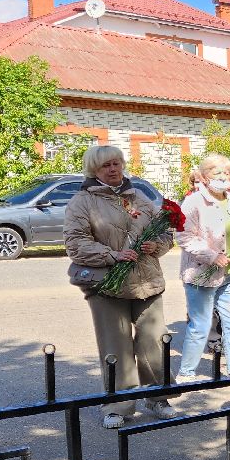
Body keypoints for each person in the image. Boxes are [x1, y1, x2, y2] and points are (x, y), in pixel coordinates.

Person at [63, 145, 175, 428]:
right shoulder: (83, 201)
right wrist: (112, 255)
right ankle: (118, 405)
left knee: (153, 341)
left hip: (146, 281)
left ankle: (158, 397)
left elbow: (165, 233)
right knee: (116, 346)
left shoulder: (138, 197)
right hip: (107, 285)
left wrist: (156, 245)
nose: (113, 169)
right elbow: (75, 243)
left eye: (116, 163)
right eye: (106, 165)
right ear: (94, 169)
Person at [177, 153, 230, 381]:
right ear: (204, 176)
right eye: (216, 172)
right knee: (200, 326)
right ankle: (186, 373)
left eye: (226, 172)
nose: (222, 177)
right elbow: (184, 236)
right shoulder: (193, 202)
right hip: (202, 275)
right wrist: (211, 256)